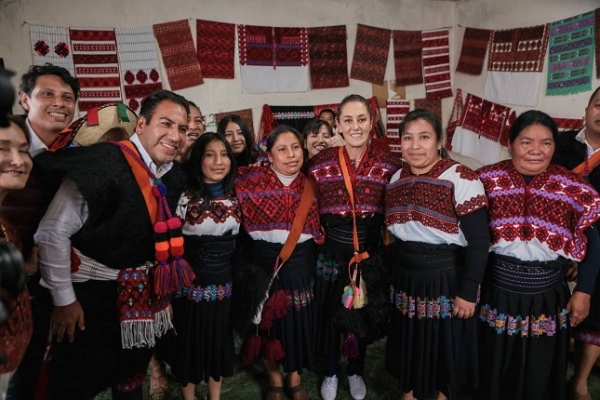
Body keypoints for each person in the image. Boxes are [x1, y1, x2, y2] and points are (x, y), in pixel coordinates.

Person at [34, 89, 191, 399]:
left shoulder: (172, 175)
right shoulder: (101, 164)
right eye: (166, 124)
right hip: (90, 300)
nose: (175, 135)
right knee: (79, 379)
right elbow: (53, 232)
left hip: (141, 298)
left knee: (130, 376)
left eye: (182, 129)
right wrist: (64, 301)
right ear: (142, 125)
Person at [476, 110, 600, 400]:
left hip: (547, 293)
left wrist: (583, 291)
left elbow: (596, 243)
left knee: (539, 367)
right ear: (510, 143)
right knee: (496, 362)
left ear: (555, 147)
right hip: (498, 290)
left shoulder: (573, 187)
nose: (536, 151)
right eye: (526, 141)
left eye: (545, 143)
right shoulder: (486, 181)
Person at [384, 109, 490, 400]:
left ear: (440, 140)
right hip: (406, 276)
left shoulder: (461, 178)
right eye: (408, 138)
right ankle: (410, 392)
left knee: (444, 345)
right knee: (411, 340)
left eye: (424, 137)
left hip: (445, 277)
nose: (415, 146)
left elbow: (480, 241)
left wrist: (468, 291)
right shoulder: (395, 177)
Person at [307, 94, 402, 400]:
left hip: (369, 256)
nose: (355, 126)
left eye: (361, 119)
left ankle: (355, 370)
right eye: (348, 120)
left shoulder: (390, 165)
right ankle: (332, 371)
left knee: (361, 317)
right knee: (331, 317)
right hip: (331, 254)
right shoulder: (319, 164)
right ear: (338, 125)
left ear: (371, 124)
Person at [1, 63, 80, 400]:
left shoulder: (77, 152)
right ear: (24, 99)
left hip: (43, 276)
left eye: (67, 96)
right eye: (47, 94)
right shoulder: (9, 138)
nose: (59, 103)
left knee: (43, 367)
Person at [235, 125, 324, 400]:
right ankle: (274, 378)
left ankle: (294, 378)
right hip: (262, 263)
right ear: (269, 156)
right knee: (267, 323)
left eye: (296, 147)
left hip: (301, 263)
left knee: (298, 322)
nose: (291, 155)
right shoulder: (247, 181)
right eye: (282, 149)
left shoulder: (313, 184)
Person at [168, 132, 240, 400]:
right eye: (210, 154)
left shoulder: (237, 197)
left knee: (218, 339)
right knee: (190, 342)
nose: (218, 161)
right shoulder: (184, 199)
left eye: (224, 154)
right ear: (198, 160)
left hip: (224, 284)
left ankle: (215, 396)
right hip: (190, 286)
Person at [553, 86, 600, 400]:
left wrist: (584, 257)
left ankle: (580, 381)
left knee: (595, 311)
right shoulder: (559, 144)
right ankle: (550, 366)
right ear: (586, 110)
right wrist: (570, 252)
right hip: (555, 237)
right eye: (599, 105)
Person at [0, 116, 34, 399]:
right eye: (3, 149)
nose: (18, 160)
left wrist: (26, 268)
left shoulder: (6, 225)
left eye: (23, 150)